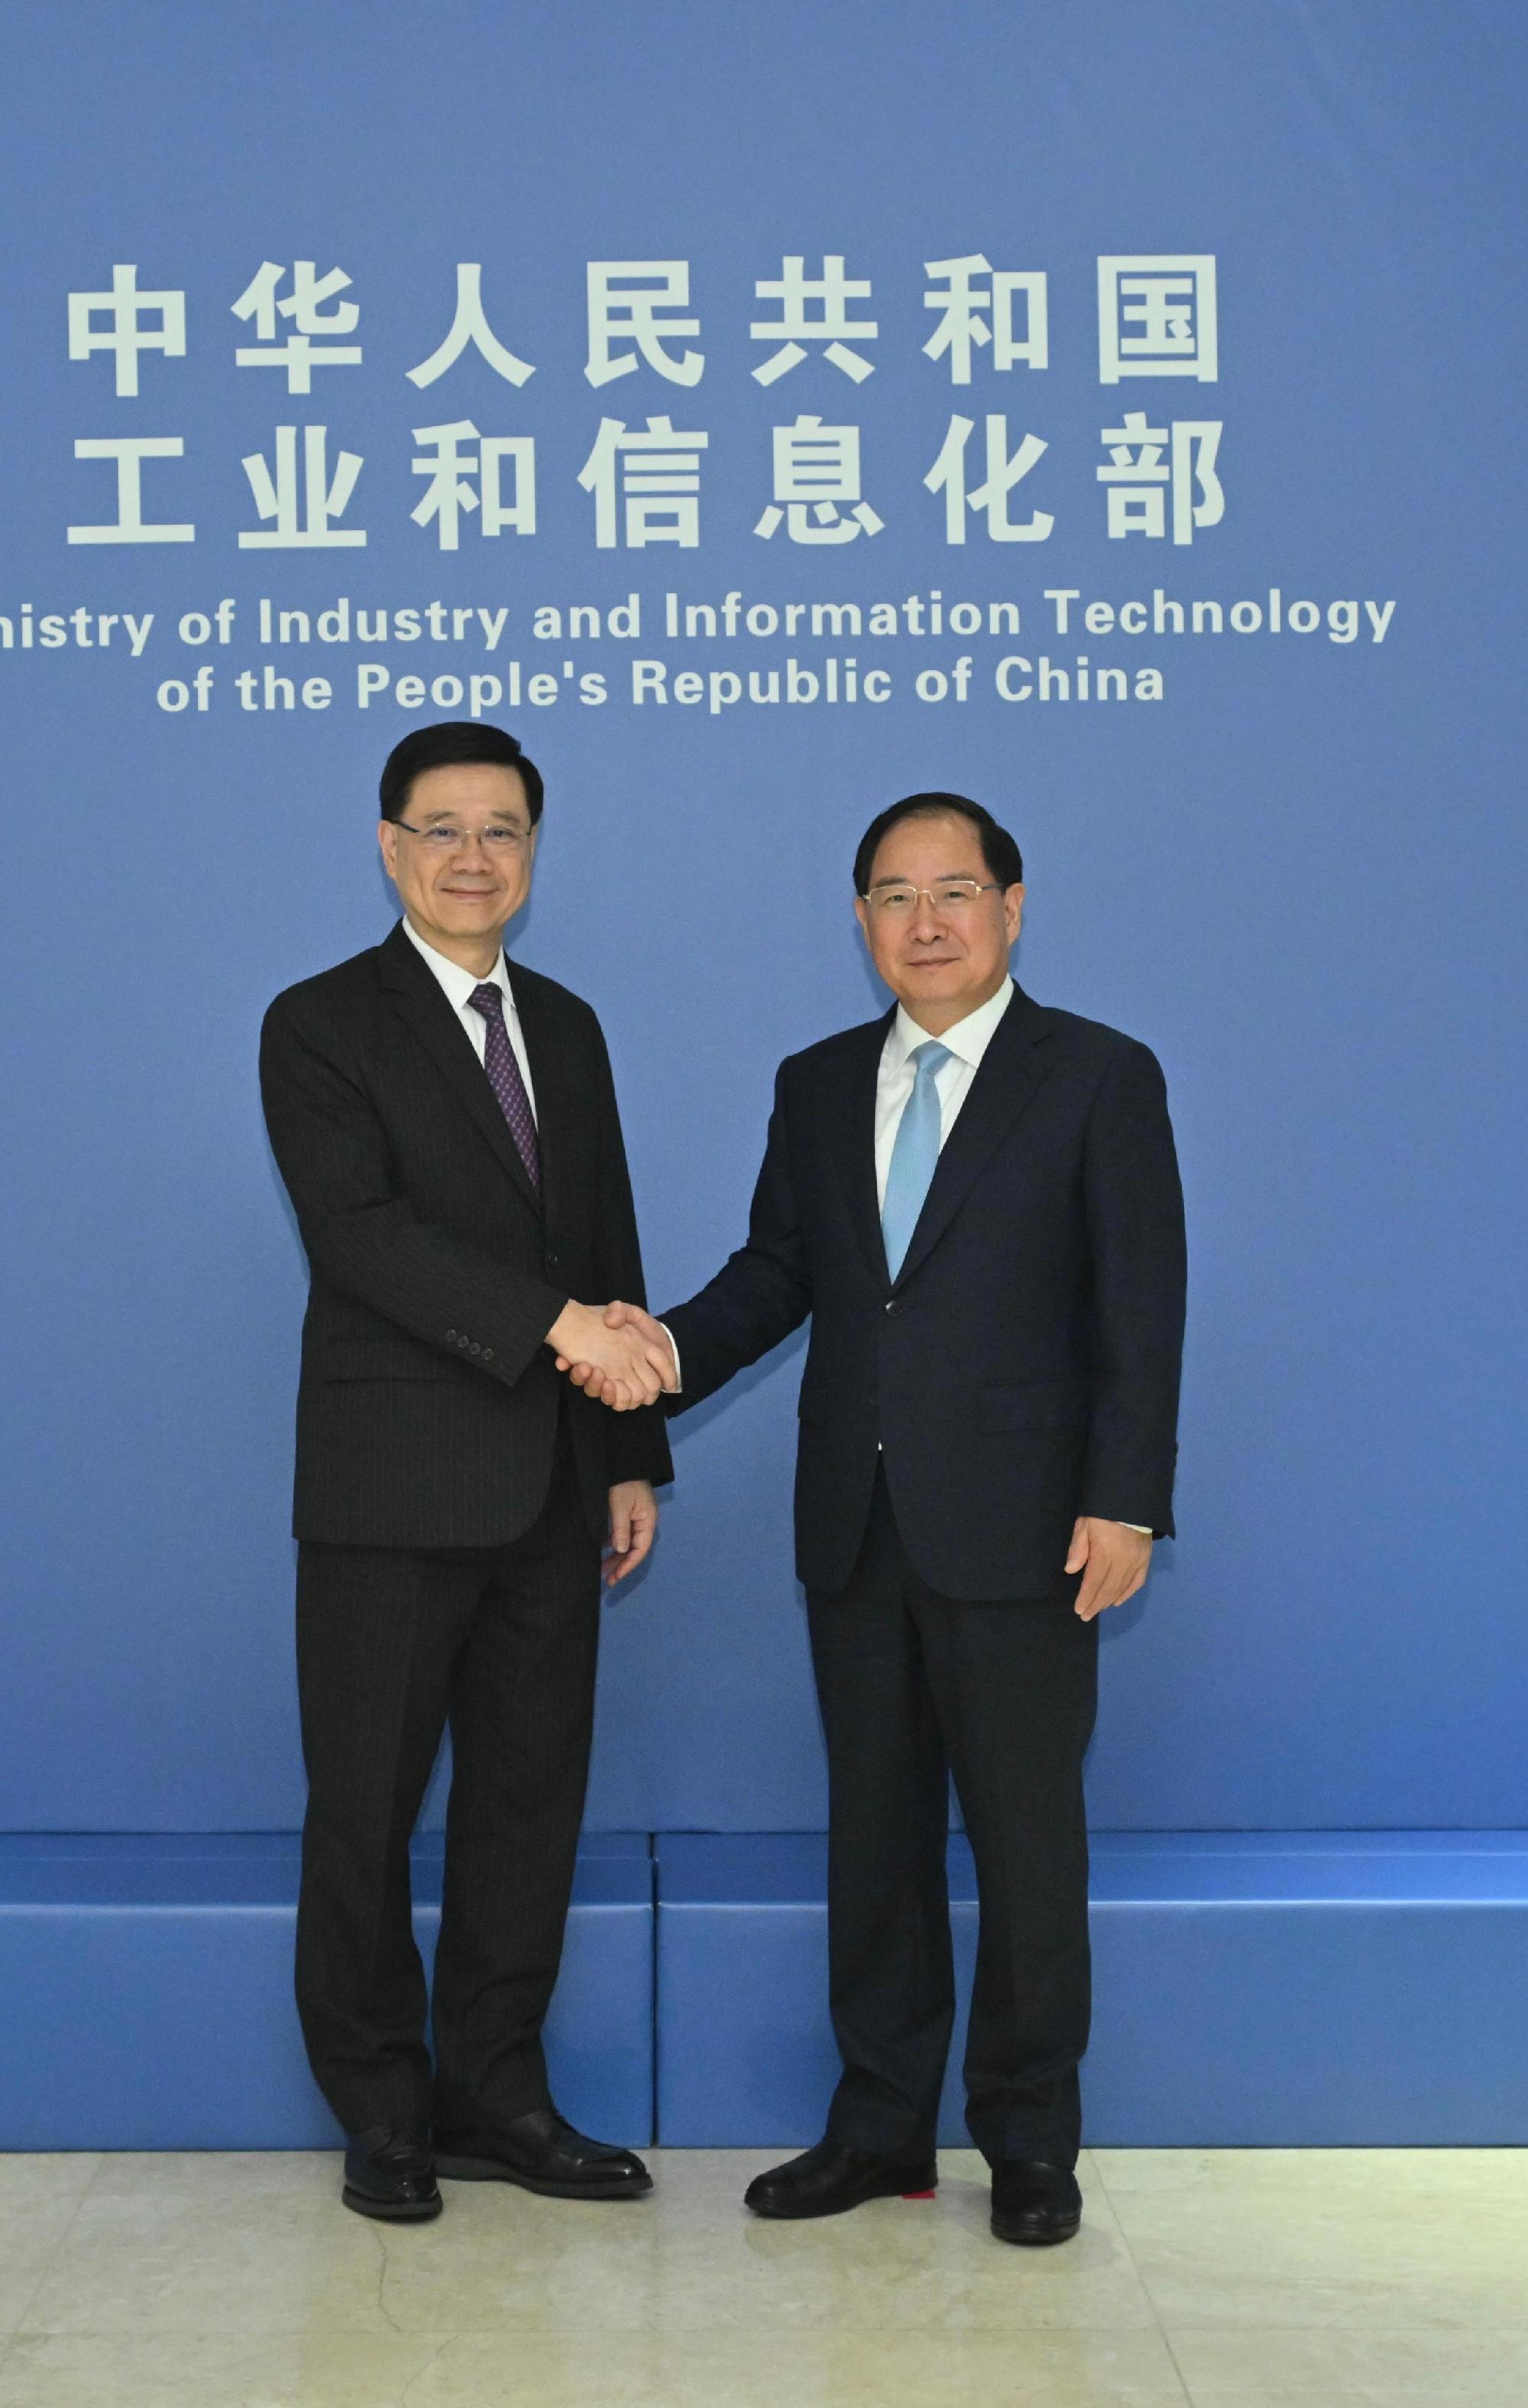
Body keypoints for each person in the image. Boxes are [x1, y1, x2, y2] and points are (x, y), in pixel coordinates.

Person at [577, 792, 1185, 2246]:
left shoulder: (1099, 1074)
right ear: (860, 922)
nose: (927, 921)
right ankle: (880, 2129)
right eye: (895, 897)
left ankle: (1031, 2143)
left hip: (1035, 1533)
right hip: (857, 1524)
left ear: (1014, 905)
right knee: (878, 1842)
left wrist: (1128, 1498)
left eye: (956, 891)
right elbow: (779, 1273)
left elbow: (1141, 1304)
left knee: (1031, 1850)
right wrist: (651, 1351)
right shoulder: (817, 1079)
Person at [259, 721, 681, 2223]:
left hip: (553, 1494)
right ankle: (382, 2111)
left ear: (531, 853)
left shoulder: (563, 1025)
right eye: (439, 829)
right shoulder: (316, 1024)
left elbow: (604, 1237)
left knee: (525, 1806)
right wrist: (558, 1327)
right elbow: (357, 1235)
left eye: (500, 830)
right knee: (363, 1811)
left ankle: (496, 2092)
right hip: (388, 1492)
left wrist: (631, 1455)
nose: (470, 857)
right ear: (388, 848)